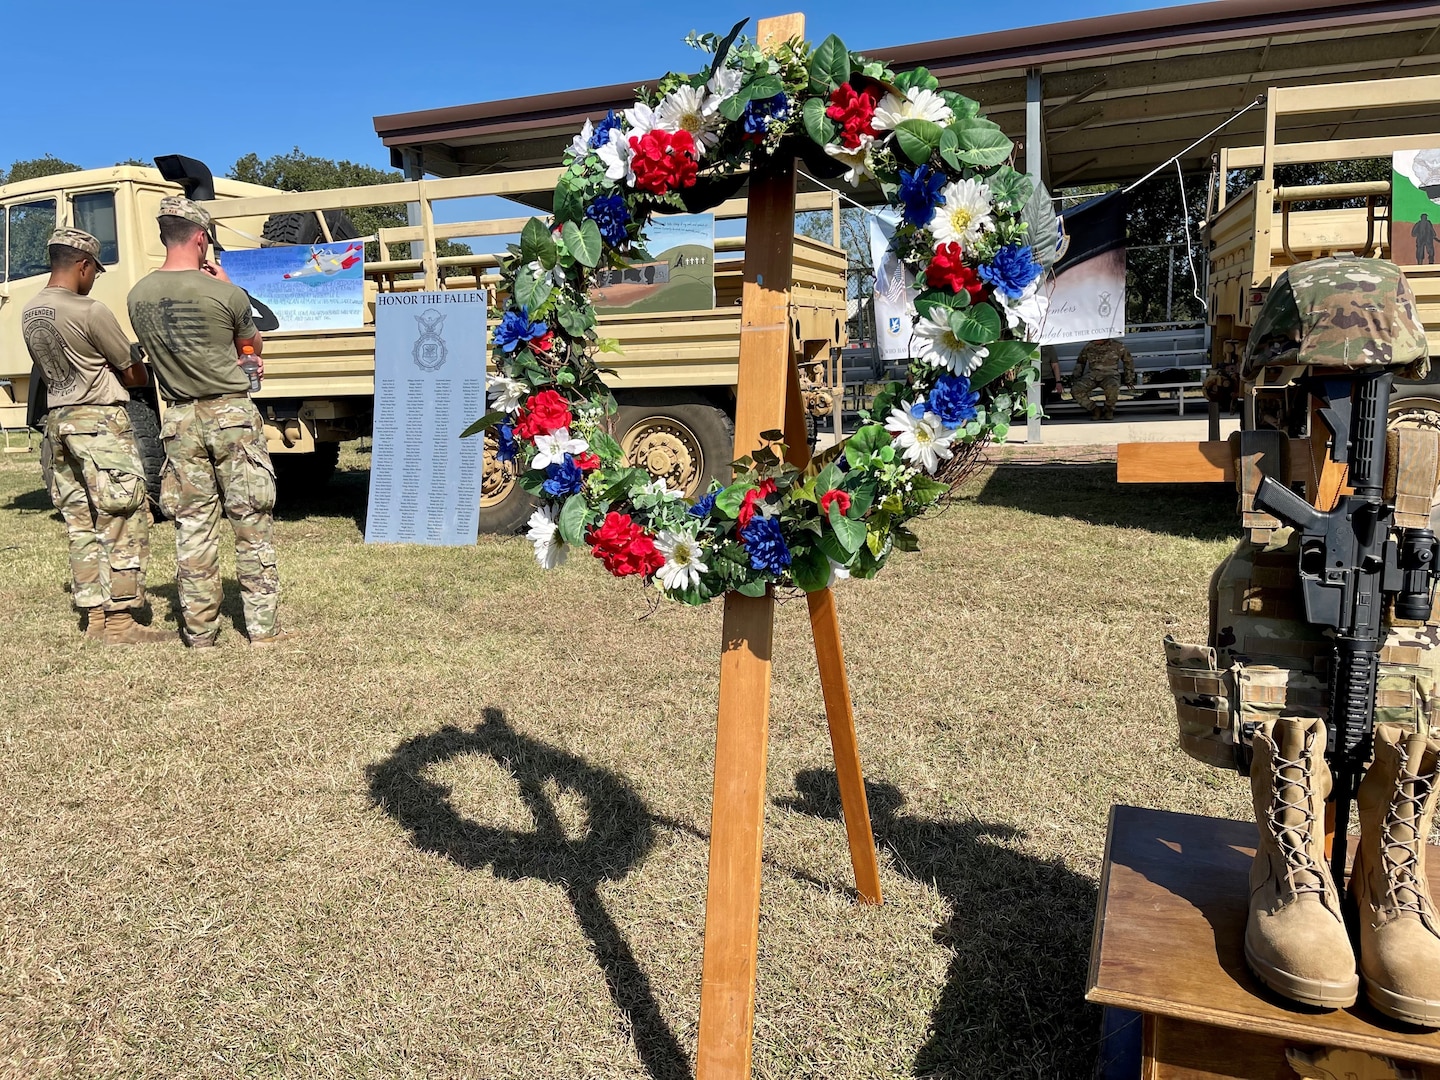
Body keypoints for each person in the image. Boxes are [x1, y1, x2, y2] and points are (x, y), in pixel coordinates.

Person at [126, 196, 287, 649]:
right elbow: (253, 346)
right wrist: (230, 286)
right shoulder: (226, 294)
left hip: (177, 418)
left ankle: (199, 633)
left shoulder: (137, 294)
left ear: (165, 235)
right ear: (201, 238)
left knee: (192, 526)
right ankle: (263, 631)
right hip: (231, 416)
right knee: (250, 522)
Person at [23, 228, 173, 644]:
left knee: (80, 525)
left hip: (59, 424)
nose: (94, 279)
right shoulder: (89, 310)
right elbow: (130, 370)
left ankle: (95, 619)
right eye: (94, 271)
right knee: (123, 519)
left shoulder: (32, 310)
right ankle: (122, 623)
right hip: (100, 425)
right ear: (83, 265)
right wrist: (139, 372)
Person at [1069, 336, 1136, 420]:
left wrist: (1129, 379)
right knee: (1076, 390)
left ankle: (1108, 409)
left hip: (1110, 374)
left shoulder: (1117, 346)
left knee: (1113, 387)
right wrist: (1075, 378)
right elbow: (1080, 362)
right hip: (1092, 375)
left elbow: (1128, 361)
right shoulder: (1089, 346)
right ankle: (1094, 409)